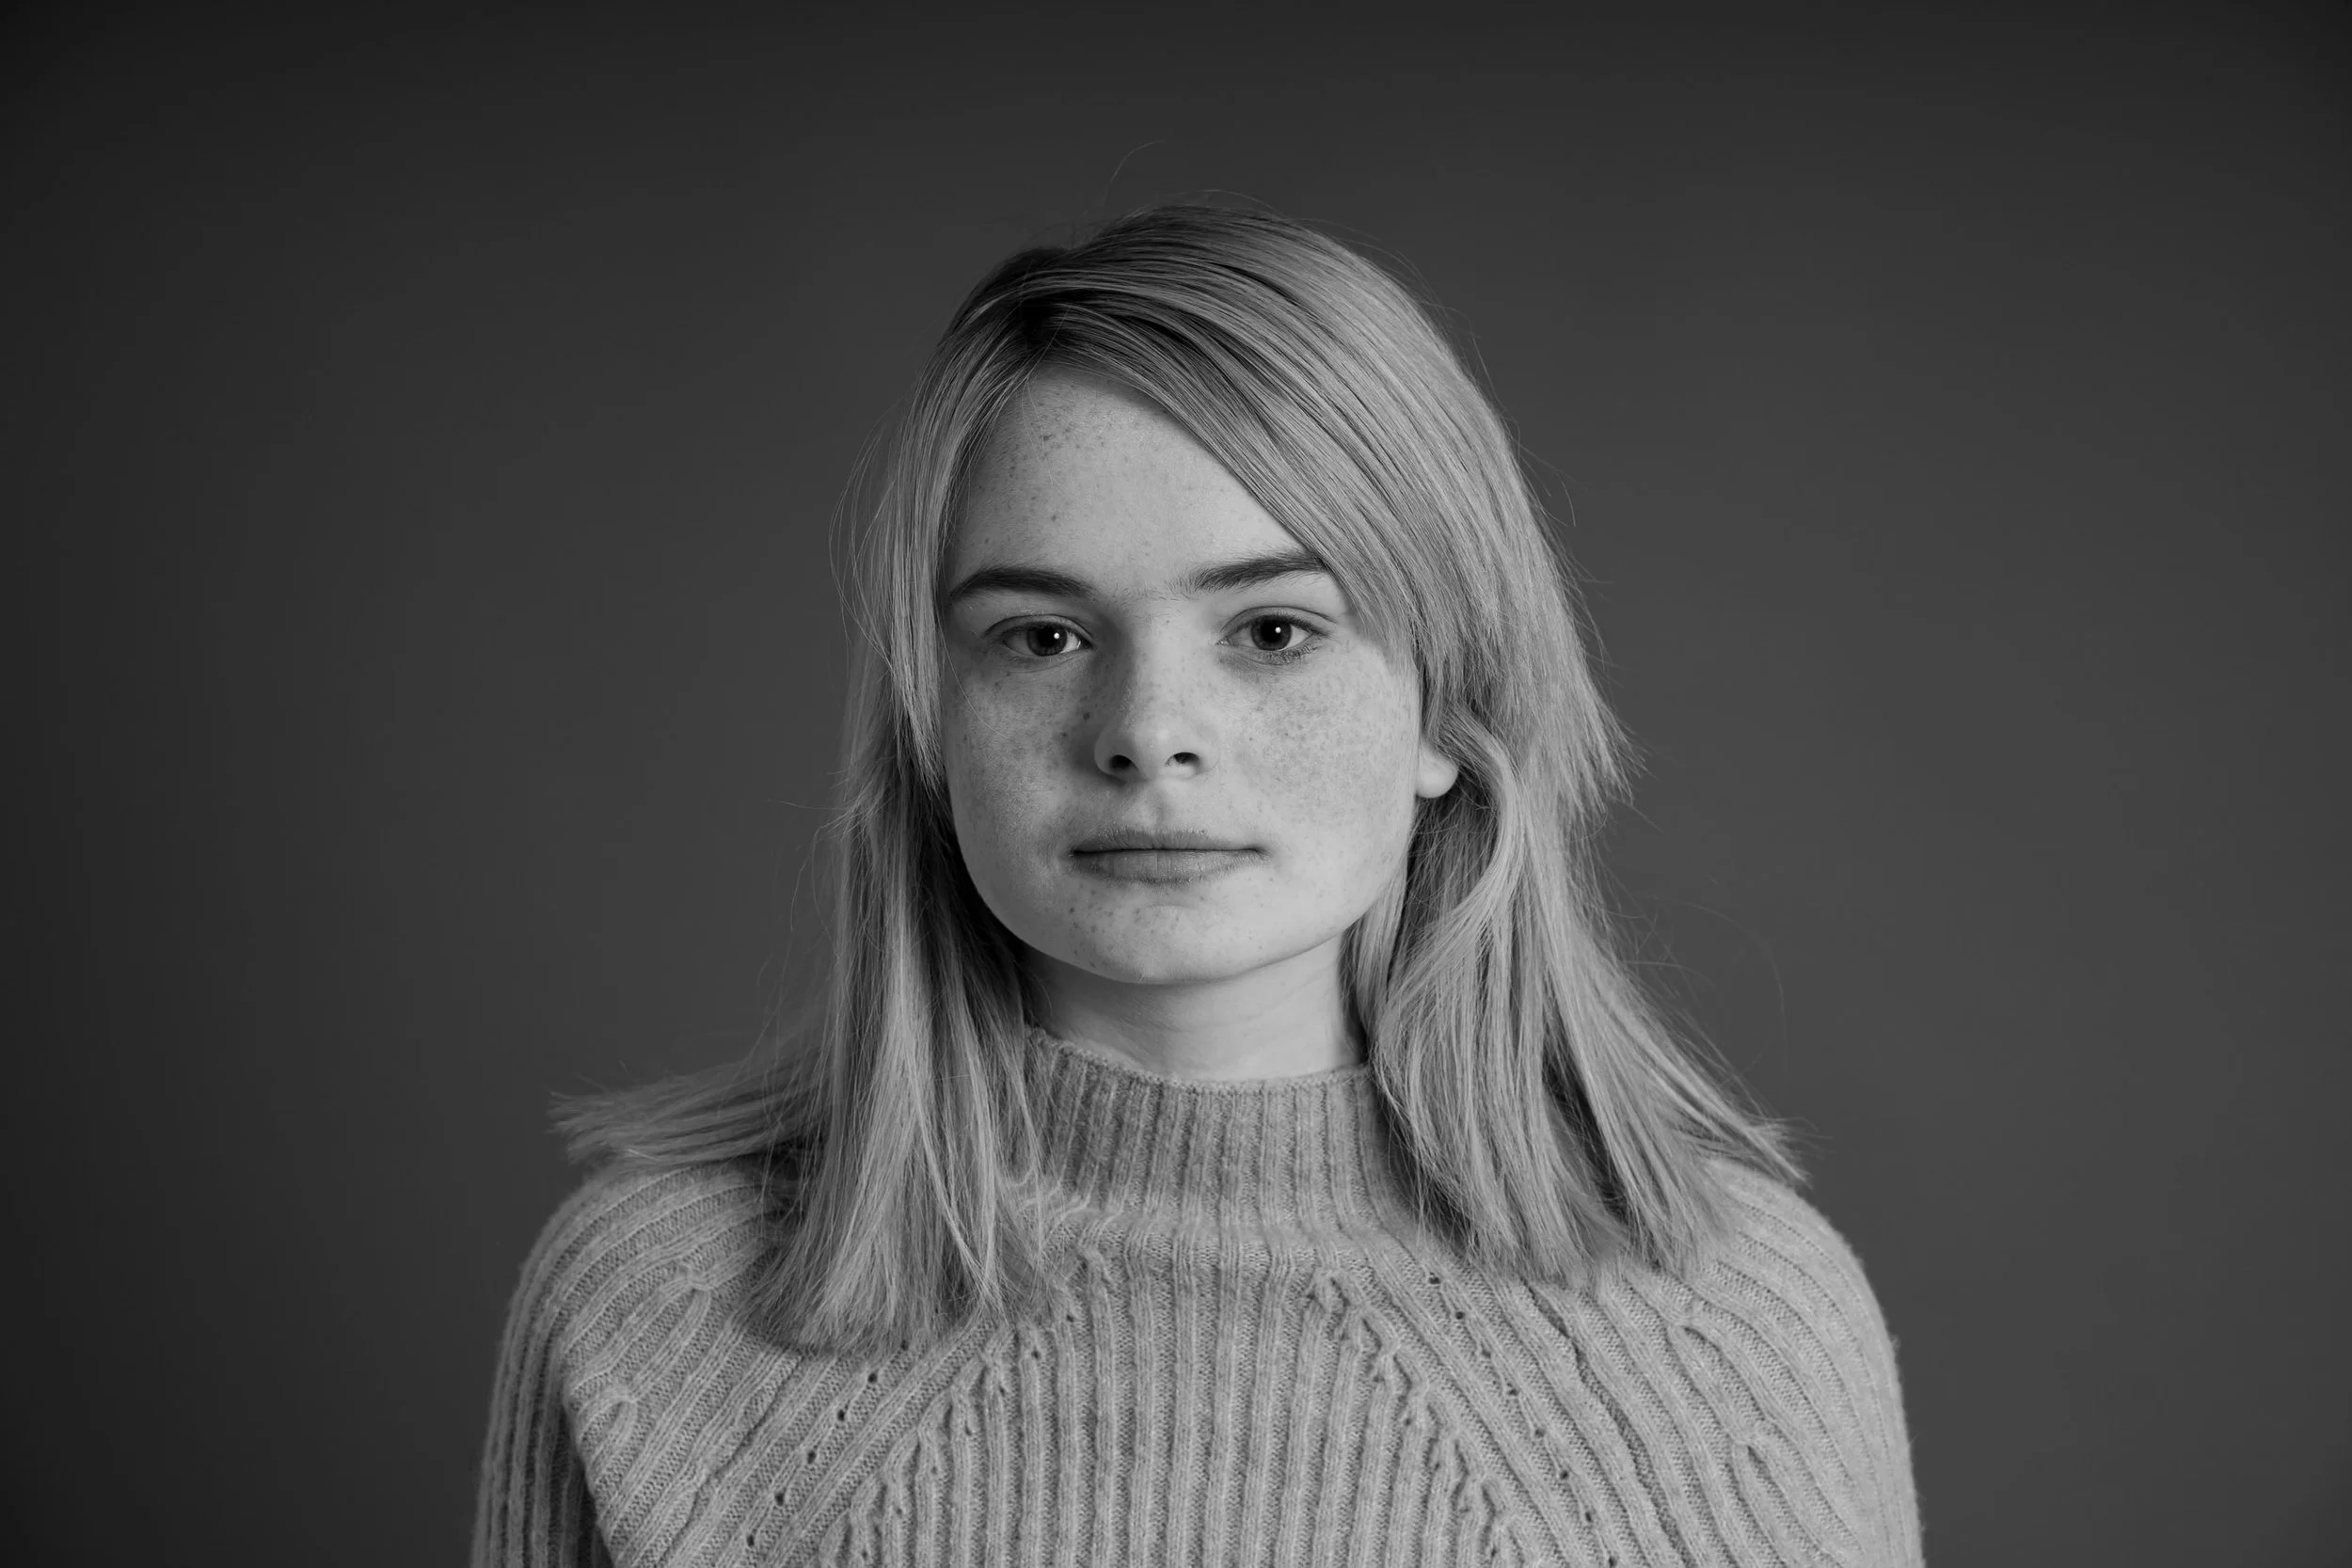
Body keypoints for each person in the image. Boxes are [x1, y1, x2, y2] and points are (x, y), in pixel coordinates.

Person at [471, 202, 1924, 1566]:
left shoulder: (1741, 1334)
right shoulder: (651, 1305)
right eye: (1040, 636)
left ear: (1447, 708)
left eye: (1275, 629)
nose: (1143, 730)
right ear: (932, 720)